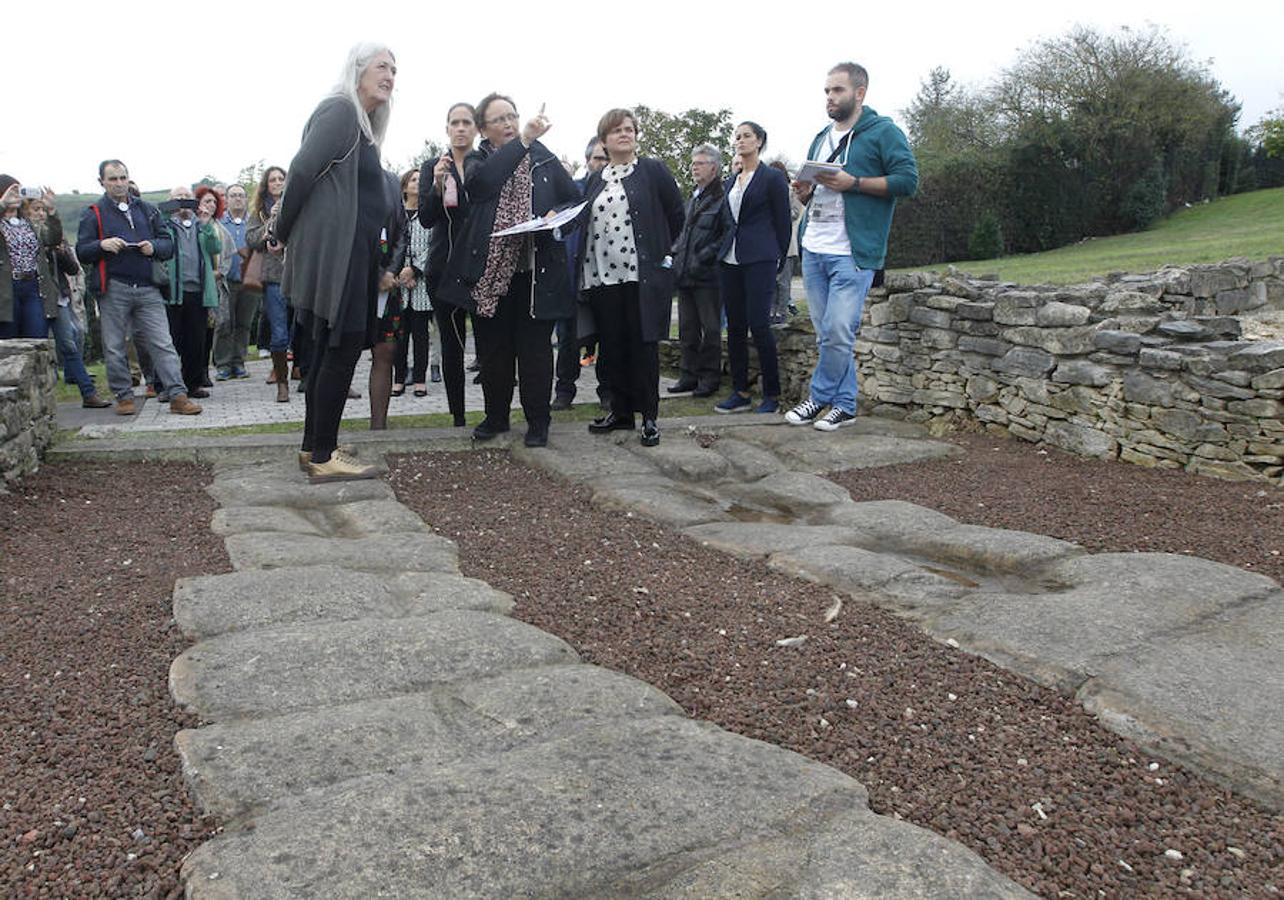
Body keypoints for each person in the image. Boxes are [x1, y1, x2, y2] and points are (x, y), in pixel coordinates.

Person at [276, 42, 397, 481]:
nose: (390, 75)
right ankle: (325, 455)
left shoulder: (361, 125)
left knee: (328, 350)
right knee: (340, 349)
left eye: (394, 70)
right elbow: (301, 171)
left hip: (351, 254)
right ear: (358, 71)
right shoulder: (341, 111)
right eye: (382, 66)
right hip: (336, 257)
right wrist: (281, 230)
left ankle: (314, 447)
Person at [435, 93, 580, 448]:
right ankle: (496, 416)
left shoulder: (543, 159)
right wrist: (525, 141)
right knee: (493, 351)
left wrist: (556, 220)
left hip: (536, 273)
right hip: (490, 274)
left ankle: (538, 421)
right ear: (483, 129)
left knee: (535, 352)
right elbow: (483, 187)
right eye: (499, 119)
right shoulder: (478, 160)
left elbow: (574, 200)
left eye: (512, 116)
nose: (510, 124)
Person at [786, 62, 918, 431]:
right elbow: (817, 187)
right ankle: (844, 404)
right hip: (814, 247)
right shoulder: (820, 136)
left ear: (859, 93)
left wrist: (854, 182)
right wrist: (806, 191)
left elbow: (907, 181)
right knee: (828, 334)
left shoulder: (883, 133)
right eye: (827, 91)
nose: (830, 97)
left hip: (853, 252)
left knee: (840, 330)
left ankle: (818, 396)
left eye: (838, 90)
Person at [578, 108, 684, 447]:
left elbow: (677, 214)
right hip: (602, 277)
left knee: (643, 347)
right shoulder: (596, 178)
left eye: (629, 129)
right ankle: (620, 412)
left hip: (642, 276)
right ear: (604, 139)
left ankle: (649, 417)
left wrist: (665, 255)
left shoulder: (652, 170)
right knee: (612, 346)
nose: (625, 134)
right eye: (617, 130)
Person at [74, 160, 201, 415]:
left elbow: (167, 244)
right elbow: (82, 251)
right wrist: (102, 245)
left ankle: (177, 394)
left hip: (148, 287)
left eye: (122, 177)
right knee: (114, 345)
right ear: (102, 182)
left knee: (163, 342)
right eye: (113, 179)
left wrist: (153, 247)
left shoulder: (148, 210)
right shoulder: (93, 213)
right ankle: (124, 396)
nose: (119, 183)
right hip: (114, 287)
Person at [713, 121, 791, 415]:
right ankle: (740, 391)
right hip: (730, 259)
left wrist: (779, 258)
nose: (740, 141)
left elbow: (783, 222)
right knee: (734, 327)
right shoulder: (732, 180)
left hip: (760, 257)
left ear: (759, 141)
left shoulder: (771, 178)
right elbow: (727, 220)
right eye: (737, 137)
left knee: (759, 324)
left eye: (746, 136)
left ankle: (772, 394)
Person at [416, 102, 477, 427]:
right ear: (447, 129)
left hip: (480, 266)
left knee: (489, 342)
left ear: (476, 128)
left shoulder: (485, 164)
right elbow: (426, 218)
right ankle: (458, 416)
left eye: (467, 122)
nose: (461, 128)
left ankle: (495, 414)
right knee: (452, 344)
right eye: (455, 122)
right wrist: (438, 185)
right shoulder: (433, 166)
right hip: (443, 267)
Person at [551, 137, 610, 411]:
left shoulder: (618, 192)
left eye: (606, 159)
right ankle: (564, 391)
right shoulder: (572, 190)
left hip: (606, 275)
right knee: (567, 339)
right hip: (572, 275)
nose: (601, 164)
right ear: (587, 160)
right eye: (597, 158)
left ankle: (608, 392)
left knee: (608, 336)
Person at [668, 144, 727, 398]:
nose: (694, 166)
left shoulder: (723, 197)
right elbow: (684, 232)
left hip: (708, 275)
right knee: (687, 330)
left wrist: (703, 257)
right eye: (693, 162)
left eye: (700, 162)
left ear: (714, 167)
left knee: (711, 329)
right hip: (686, 273)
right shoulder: (693, 197)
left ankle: (709, 378)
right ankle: (688, 376)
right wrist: (676, 253)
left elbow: (725, 235)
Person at [160, 185, 221, 399]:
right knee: (170, 340)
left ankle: (193, 383)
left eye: (187, 197)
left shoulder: (200, 225)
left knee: (196, 341)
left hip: (198, 291)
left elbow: (215, 249)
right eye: (178, 197)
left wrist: (206, 225)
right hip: (173, 291)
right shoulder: (164, 225)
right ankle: (166, 386)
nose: (183, 201)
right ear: (170, 201)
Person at [245, 166, 290, 401]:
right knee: (279, 333)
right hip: (273, 277)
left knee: (305, 330)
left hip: (299, 274)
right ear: (266, 184)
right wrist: (271, 220)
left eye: (281, 178)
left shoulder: (296, 204)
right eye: (272, 179)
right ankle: (282, 383)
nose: (277, 183)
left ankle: (308, 374)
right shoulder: (260, 211)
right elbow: (251, 239)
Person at [368, 172, 408, 430]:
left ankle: (378, 427)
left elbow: (402, 233)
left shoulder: (391, 181)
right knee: (341, 355)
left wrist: (391, 271)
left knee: (385, 352)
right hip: (353, 285)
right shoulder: (345, 179)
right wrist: (375, 275)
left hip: (388, 287)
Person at [393, 168, 435, 397]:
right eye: (413, 179)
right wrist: (399, 272)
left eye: (421, 179)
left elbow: (434, 245)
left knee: (421, 335)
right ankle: (398, 378)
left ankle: (420, 379)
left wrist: (415, 270)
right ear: (405, 185)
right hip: (397, 284)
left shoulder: (428, 214)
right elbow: (389, 242)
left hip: (421, 284)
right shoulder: (396, 213)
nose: (417, 183)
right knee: (399, 334)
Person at [213, 183, 255, 380]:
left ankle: (239, 362)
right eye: (233, 195)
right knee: (224, 324)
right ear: (226, 199)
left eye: (241, 195)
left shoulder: (254, 222)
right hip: (226, 282)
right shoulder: (219, 222)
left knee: (244, 324)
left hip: (250, 281)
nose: (238, 199)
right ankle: (222, 364)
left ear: (246, 199)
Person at [769, 159, 803, 324]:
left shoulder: (792, 192)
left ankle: (781, 312)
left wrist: (778, 210)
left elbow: (795, 212)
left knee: (783, 282)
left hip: (788, 246)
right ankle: (771, 312)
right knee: (771, 282)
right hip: (770, 244)